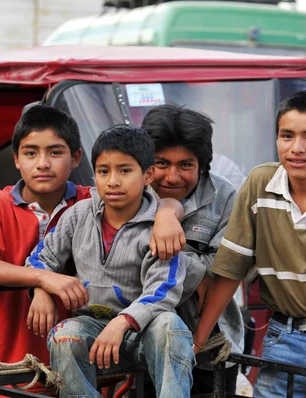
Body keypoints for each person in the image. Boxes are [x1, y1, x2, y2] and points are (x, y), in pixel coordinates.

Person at [0, 105, 185, 389]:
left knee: (166, 327)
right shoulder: (1, 206)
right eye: (31, 153)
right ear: (16, 159)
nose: (43, 163)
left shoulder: (89, 201)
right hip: (19, 359)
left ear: (76, 157)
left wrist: (168, 212)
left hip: (102, 354)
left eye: (55, 152)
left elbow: (148, 201)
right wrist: (43, 281)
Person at [193, 90, 306, 397]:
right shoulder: (259, 185)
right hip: (283, 339)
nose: (296, 148)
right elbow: (231, 267)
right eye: (286, 135)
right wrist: (198, 338)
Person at [25, 124, 192, 397]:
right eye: (104, 171)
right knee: (64, 334)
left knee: (170, 326)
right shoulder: (79, 214)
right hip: (92, 329)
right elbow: (40, 258)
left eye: (125, 170)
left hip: (144, 333)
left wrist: (123, 321)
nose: (113, 181)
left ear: (148, 175)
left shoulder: (162, 227)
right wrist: (41, 288)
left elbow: (163, 290)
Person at [140, 104, 244, 395]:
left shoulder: (225, 197)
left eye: (185, 165)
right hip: (136, 341)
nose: (173, 177)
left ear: (202, 164)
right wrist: (165, 214)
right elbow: (122, 264)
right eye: (162, 164)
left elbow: (226, 270)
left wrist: (167, 240)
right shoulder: (123, 190)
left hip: (210, 345)